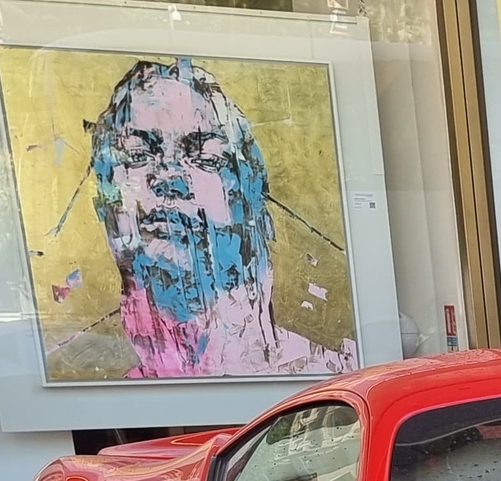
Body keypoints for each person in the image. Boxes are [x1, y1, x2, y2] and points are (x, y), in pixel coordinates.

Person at [49, 57, 352, 382]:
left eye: (205, 158)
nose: (168, 177)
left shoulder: (329, 376)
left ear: (249, 198)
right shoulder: (111, 398)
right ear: (105, 201)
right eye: (137, 155)